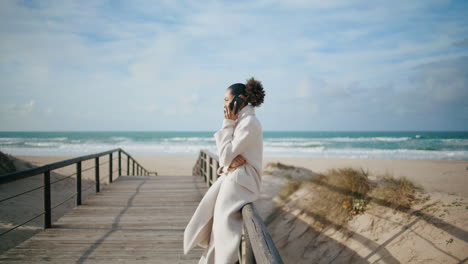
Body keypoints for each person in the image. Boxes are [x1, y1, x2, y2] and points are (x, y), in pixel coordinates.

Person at [183, 77, 266, 264]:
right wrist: (228, 162)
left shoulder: (249, 122)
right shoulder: (242, 120)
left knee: (223, 230)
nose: (224, 105)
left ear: (240, 99)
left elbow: (224, 155)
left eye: (227, 100)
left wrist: (227, 124)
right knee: (216, 226)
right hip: (236, 177)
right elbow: (227, 157)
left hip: (243, 180)